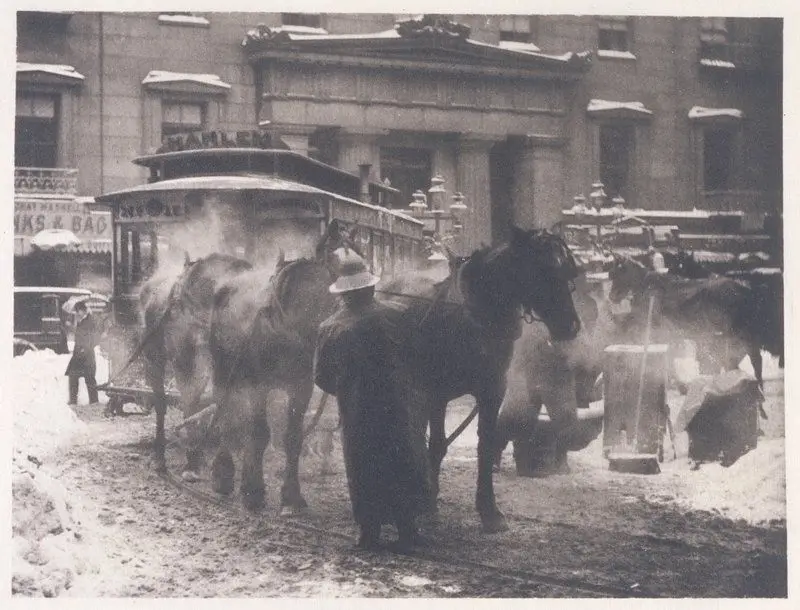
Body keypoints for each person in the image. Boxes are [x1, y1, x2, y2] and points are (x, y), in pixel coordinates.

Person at [313, 251, 430, 551]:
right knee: (402, 459)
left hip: (357, 410)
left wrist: (349, 390)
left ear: (343, 292)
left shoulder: (329, 327)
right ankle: (407, 529)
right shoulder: (397, 316)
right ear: (369, 288)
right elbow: (418, 358)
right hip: (398, 405)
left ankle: (369, 532)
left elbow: (322, 377)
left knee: (362, 465)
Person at [65, 300, 101, 406]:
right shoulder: (80, 321)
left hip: (87, 354)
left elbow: (95, 337)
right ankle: (73, 400)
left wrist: (86, 348)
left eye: (78, 312)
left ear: (83, 310)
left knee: (89, 378)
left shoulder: (91, 321)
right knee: (73, 376)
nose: (76, 314)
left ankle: (94, 401)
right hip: (78, 354)